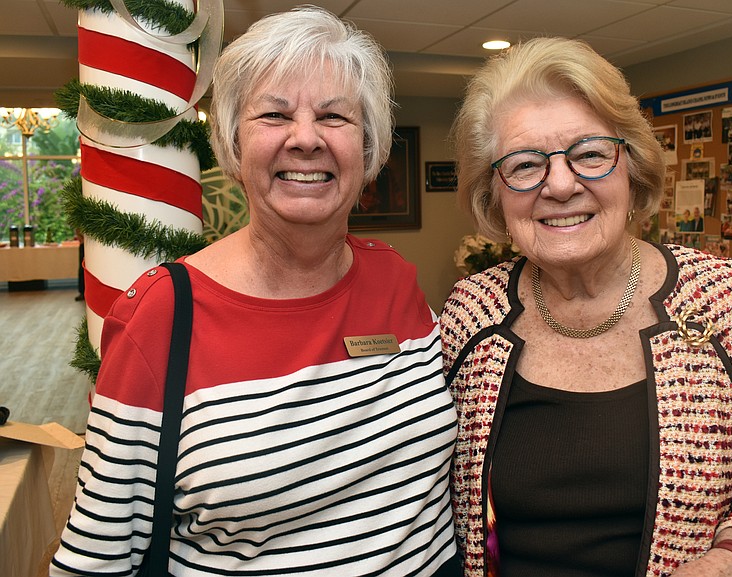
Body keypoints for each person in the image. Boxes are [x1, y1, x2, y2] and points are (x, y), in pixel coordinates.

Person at [51, 7, 459, 576]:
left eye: (334, 116)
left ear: (367, 148)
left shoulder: (396, 279)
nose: (306, 139)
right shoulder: (163, 315)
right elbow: (97, 554)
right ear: (234, 145)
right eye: (274, 114)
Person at [441, 36, 732, 577]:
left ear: (633, 169)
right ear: (495, 194)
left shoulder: (725, 298)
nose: (560, 185)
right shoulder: (470, 313)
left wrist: (731, 561)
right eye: (526, 165)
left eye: (590, 154)